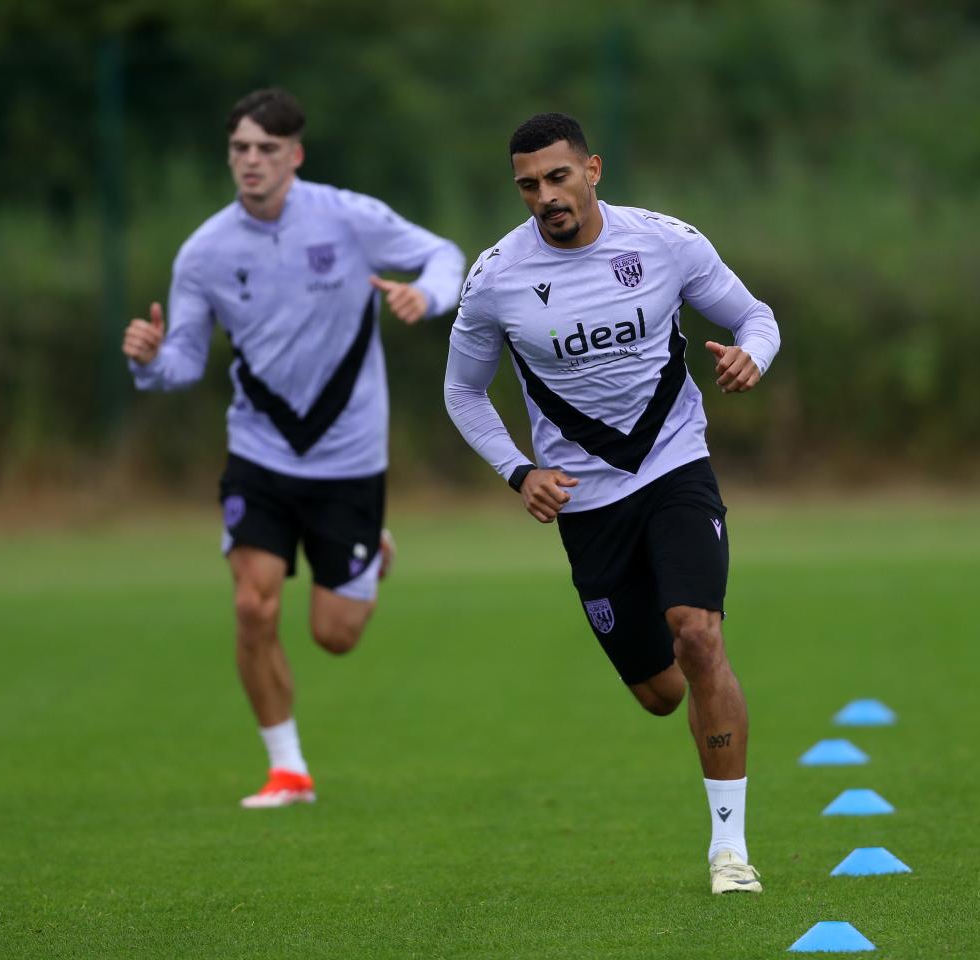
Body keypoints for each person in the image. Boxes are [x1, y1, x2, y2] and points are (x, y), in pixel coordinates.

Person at [443, 113, 780, 893]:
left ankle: (729, 852)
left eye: (558, 177)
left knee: (698, 636)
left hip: (675, 468)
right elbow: (462, 391)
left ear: (592, 170)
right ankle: (692, 693)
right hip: (585, 504)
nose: (546, 196)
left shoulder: (664, 242)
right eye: (529, 185)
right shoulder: (497, 277)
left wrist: (753, 357)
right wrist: (518, 472)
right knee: (661, 693)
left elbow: (754, 316)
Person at [123, 88, 465, 808]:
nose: (251, 161)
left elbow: (443, 254)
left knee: (336, 635)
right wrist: (150, 359)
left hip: (350, 459)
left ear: (295, 155)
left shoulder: (347, 217)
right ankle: (288, 770)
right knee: (254, 607)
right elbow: (183, 363)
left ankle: (373, 549)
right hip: (260, 453)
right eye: (240, 149)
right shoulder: (205, 252)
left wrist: (426, 296)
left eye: (267, 149)